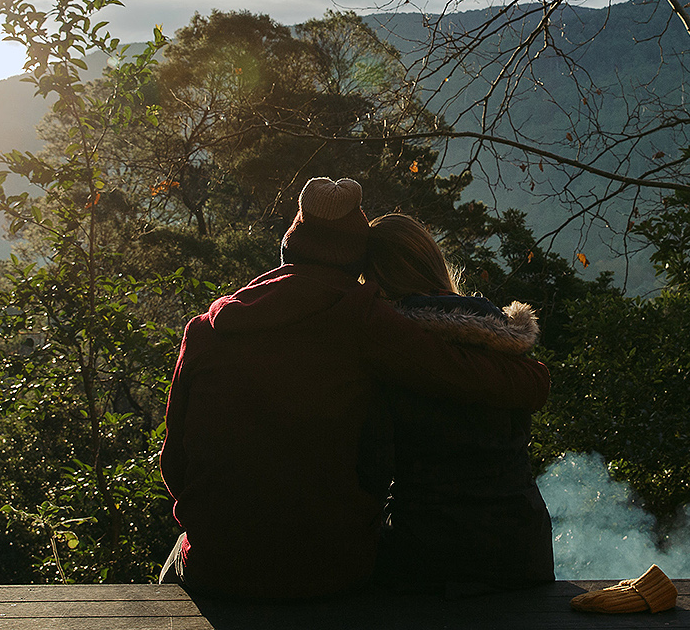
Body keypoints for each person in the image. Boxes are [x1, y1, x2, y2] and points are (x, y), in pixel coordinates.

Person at [158, 178, 550, 599]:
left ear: (288, 246)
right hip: (331, 566)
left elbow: (174, 461)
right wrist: (530, 373)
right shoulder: (363, 319)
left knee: (172, 570)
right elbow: (476, 377)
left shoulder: (205, 329)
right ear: (357, 263)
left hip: (216, 562)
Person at [362, 213, 555, 591]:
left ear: (376, 276)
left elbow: (371, 464)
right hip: (521, 545)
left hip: (428, 550)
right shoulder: (503, 336)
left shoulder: (390, 345)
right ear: (432, 261)